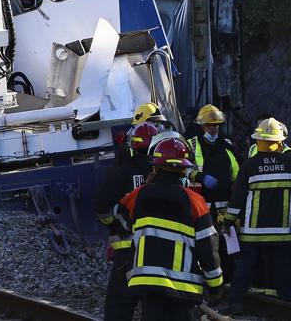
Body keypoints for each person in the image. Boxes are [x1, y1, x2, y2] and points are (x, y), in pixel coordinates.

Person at [115, 136, 223, 321]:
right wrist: (216, 287)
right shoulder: (195, 202)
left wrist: (146, 185)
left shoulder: (140, 195)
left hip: (146, 282)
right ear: (184, 169)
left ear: (155, 168)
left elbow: (119, 214)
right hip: (183, 288)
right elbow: (208, 249)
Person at [223, 118, 291, 314]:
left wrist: (229, 220)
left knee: (246, 268)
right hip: (282, 230)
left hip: (254, 231)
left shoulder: (250, 165)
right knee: (283, 269)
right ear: (279, 141)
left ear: (258, 141)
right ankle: (289, 302)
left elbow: (238, 197)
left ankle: (236, 303)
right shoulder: (290, 164)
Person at [95, 121, 159, 321]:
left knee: (119, 307)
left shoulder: (120, 174)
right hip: (160, 250)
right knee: (156, 304)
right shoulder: (165, 175)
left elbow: (101, 207)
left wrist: (114, 226)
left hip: (127, 250)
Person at [185, 104, 240, 272]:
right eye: (210, 125)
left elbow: (236, 170)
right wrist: (201, 177)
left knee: (228, 247)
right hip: (202, 206)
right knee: (205, 245)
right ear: (202, 125)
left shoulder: (226, 144)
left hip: (225, 206)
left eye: (217, 125)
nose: (214, 128)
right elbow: (183, 169)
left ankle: (229, 281)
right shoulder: (191, 145)